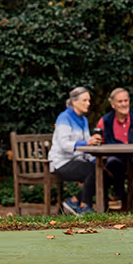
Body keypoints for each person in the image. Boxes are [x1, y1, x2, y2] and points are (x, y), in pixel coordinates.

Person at [48, 86, 103, 215]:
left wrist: (95, 157)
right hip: (61, 163)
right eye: (84, 100)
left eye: (89, 100)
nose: (88, 104)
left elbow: (86, 145)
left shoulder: (83, 119)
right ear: (74, 101)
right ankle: (84, 206)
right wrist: (87, 142)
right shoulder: (64, 118)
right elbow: (64, 144)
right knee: (93, 171)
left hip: (78, 161)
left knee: (102, 169)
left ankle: (74, 201)